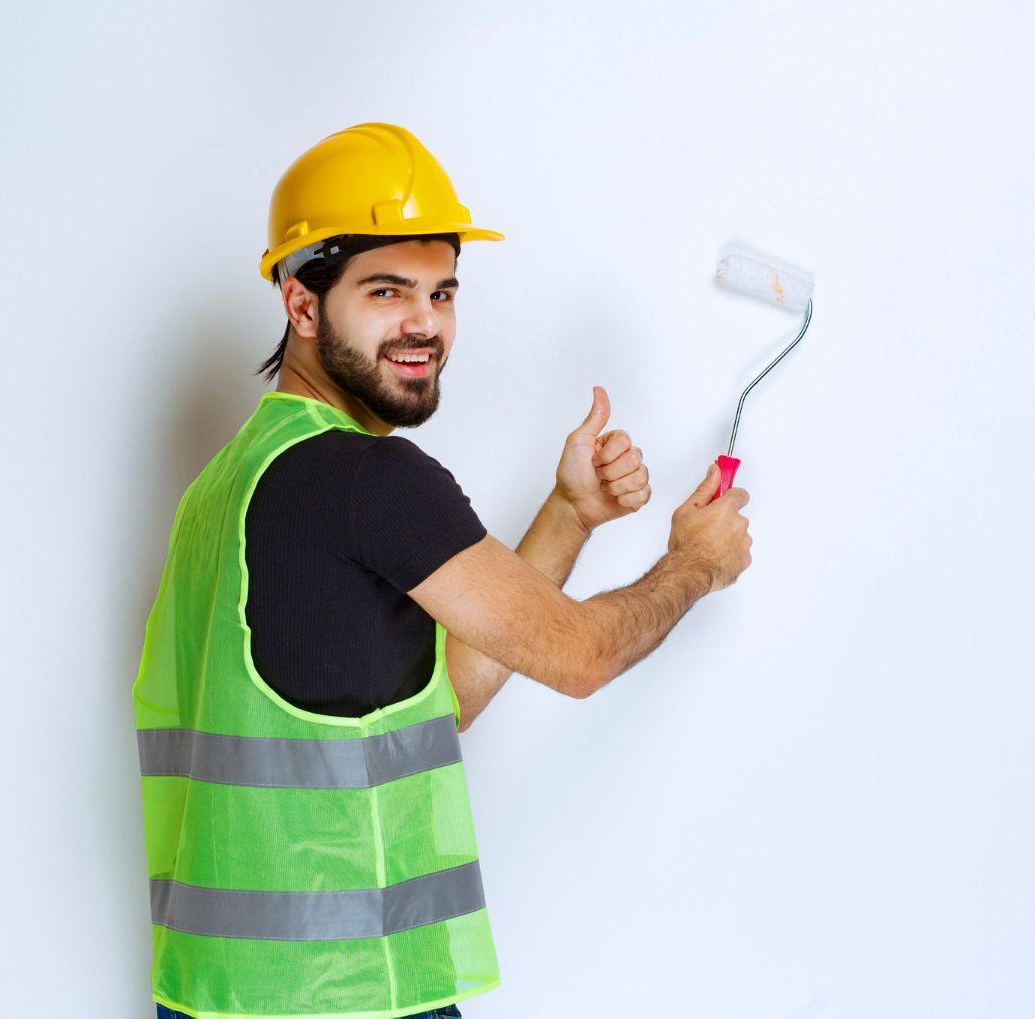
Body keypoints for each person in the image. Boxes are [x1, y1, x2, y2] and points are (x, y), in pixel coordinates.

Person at [133, 122, 753, 1019]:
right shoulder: (369, 478)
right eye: (386, 291)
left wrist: (570, 512)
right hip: (351, 995)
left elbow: (432, 705)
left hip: (211, 997)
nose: (425, 323)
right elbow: (578, 658)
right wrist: (693, 563)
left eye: (443, 292)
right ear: (301, 303)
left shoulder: (225, 490)